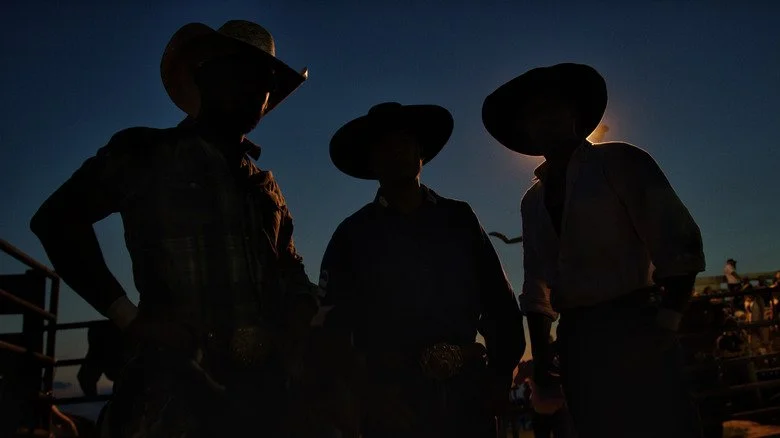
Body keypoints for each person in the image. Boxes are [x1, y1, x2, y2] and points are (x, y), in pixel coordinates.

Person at [30, 20, 317, 437]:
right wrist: (129, 318)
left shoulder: (265, 187)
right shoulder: (145, 153)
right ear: (207, 77)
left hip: (262, 396)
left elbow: (292, 271)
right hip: (173, 393)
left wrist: (299, 321)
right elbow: (56, 220)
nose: (255, 89)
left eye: (264, 80)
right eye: (240, 73)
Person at [482, 63, 705, 437]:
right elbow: (536, 286)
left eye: (554, 107)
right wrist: (542, 355)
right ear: (526, 129)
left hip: (637, 320)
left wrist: (666, 323)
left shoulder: (621, 162)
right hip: (577, 338)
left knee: (664, 425)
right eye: (534, 115)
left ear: (574, 114)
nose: (545, 119)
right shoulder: (532, 201)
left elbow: (677, 243)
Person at [317, 102, 526, 437]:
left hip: (466, 396)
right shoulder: (351, 235)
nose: (394, 152)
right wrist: (369, 396)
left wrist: (500, 376)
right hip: (391, 400)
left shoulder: (459, 219)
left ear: (421, 153)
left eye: (404, 142)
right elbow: (331, 328)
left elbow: (500, 304)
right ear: (371, 161)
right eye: (383, 146)